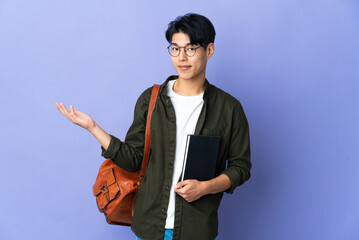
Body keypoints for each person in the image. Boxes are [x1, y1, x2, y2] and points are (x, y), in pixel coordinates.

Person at [56, 13, 251, 240]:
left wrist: (205, 187)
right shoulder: (151, 99)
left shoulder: (229, 109)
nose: (182, 57)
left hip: (196, 230)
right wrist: (93, 128)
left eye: (191, 49)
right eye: (175, 48)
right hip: (148, 227)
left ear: (209, 51)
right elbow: (133, 160)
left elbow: (240, 167)